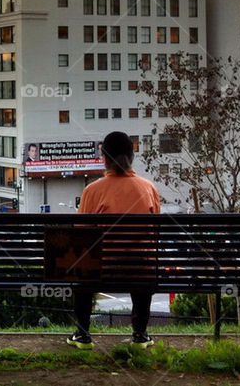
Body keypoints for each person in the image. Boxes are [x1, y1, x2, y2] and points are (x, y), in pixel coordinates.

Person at [67, 131, 162, 350]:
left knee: (83, 265)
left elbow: (81, 235)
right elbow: (154, 233)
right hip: (140, 271)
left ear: (104, 159)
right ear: (132, 156)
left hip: (102, 270)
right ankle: (140, 334)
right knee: (143, 259)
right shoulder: (148, 188)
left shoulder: (92, 190)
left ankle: (82, 334)